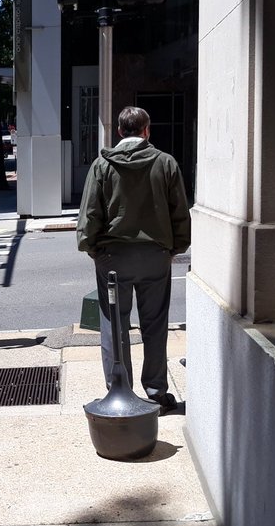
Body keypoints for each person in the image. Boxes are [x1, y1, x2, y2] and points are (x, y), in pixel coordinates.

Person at [77, 106, 190, 410]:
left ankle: (120, 389)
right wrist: (174, 249)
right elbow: (180, 211)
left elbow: (90, 213)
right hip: (155, 255)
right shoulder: (165, 163)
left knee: (114, 324)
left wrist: (92, 249)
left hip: (113, 257)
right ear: (147, 130)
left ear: (119, 132)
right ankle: (155, 390)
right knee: (155, 325)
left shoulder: (103, 165)